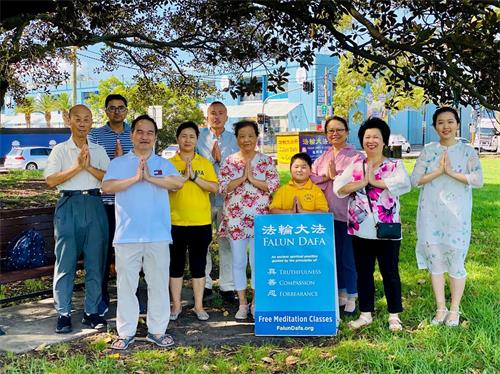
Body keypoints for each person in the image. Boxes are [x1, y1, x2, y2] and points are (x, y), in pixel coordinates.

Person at [102, 114, 184, 350]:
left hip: (157, 235)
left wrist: (149, 177)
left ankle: (157, 331)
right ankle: (125, 332)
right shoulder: (118, 163)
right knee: (126, 285)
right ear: (132, 135)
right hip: (127, 235)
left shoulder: (163, 163)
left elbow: (177, 183)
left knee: (158, 284)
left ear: (155, 137)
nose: (144, 136)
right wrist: (135, 178)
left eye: (150, 132)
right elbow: (107, 186)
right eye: (140, 131)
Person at [333, 117, 411, 332]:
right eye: (367, 137)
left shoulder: (394, 164)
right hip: (360, 230)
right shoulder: (356, 165)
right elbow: (339, 187)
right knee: (363, 273)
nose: (371, 140)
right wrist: (361, 182)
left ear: (384, 140)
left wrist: (375, 182)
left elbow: (405, 184)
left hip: (387, 230)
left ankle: (394, 315)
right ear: (362, 140)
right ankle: (366, 314)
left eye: (376, 136)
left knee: (390, 272)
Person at [411, 107, 483, 327]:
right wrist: (438, 172)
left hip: (456, 216)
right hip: (430, 215)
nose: (446, 126)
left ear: (457, 124)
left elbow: (478, 180)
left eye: (450, 122)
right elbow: (415, 180)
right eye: (441, 122)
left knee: (456, 262)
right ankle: (441, 308)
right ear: (434, 127)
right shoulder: (428, 150)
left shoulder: (468, 151)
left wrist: (451, 173)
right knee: (436, 261)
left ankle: (454, 309)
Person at [44, 104, 110, 333]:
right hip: (69, 205)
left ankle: (91, 312)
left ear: (92, 122)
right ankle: (63, 313)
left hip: (94, 204)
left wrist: (88, 166)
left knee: (96, 262)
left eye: (87, 119)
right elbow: (51, 181)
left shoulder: (99, 150)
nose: (82, 123)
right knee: (65, 262)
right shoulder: (60, 150)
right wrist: (76, 167)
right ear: (69, 120)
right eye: (78, 119)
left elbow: (108, 180)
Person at [218, 120, 280, 319]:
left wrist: (253, 179)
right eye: (242, 136)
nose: (246, 140)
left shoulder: (266, 161)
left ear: (256, 137)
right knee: (238, 261)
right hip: (235, 220)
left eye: (250, 136)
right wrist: (242, 178)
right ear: (236, 139)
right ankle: (242, 303)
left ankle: (257, 302)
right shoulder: (229, 161)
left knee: (257, 261)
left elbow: (274, 185)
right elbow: (222, 187)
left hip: (260, 221)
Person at [311, 116, 362, 314]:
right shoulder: (322, 158)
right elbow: (312, 178)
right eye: (331, 130)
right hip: (325, 216)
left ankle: (352, 294)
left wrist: (337, 177)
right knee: (333, 256)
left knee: (348, 257)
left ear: (347, 132)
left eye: (339, 129)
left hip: (348, 215)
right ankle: (340, 292)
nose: (335, 134)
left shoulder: (355, 157)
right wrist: (327, 177)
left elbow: (356, 180)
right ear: (326, 134)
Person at [88, 93, 134, 316]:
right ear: (106, 111)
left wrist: (118, 166)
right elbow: (91, 167)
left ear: (126, 110)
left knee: (128, 254)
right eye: (112, 108)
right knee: (103, 254)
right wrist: (117, 165)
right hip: (103, 203)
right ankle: (102, 299)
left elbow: (140, 168)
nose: (117, 111)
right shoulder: (95, 136)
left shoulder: (134, 134)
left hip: (129, 204)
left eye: (121, 107)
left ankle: (130, 298)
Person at [168, 122, 219, 321]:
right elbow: (167, 187)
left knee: (198, 266)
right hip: (175, 222)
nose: (187, 140)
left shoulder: (204, 163)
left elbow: (214, 188)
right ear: (177, 139)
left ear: (197, 139)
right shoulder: (169, 164)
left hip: (200, 223)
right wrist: (182, 178)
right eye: (183, 136)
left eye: (191, 136)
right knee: (176, 266)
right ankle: (176, 305)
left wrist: (195, 178)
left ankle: (198, 306)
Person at [197, 101, 239, 302]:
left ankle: (227, 285)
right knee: (203, 239)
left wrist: (221, 161)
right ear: (207, 116)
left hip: (227, 197)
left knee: (226, 240)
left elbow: (239, 165)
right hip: (202, 195)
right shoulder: (198, 138)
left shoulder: (234, 139)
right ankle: (203, 282)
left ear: (227, 117)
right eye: (213, 113)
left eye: (221, 113)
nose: (216, 116)